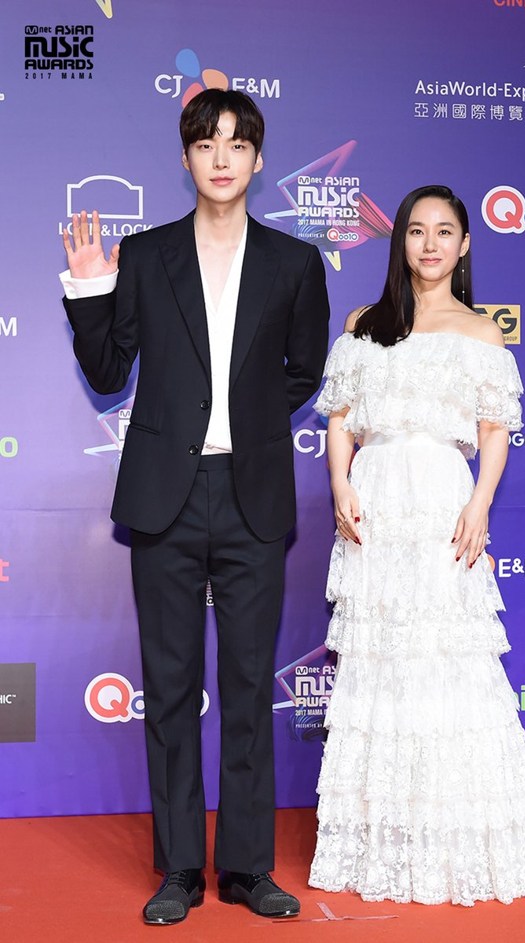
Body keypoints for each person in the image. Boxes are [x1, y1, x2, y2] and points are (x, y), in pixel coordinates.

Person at [60, 89, 329, 924]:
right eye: (206, 142)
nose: (221, 155)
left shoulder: (293, 263)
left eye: (236, 142)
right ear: (186, 160)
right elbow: (108, 373)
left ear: (257, 159)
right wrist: (91, 284)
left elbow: (302, 371)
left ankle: (248, 868)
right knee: (170, 687)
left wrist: (242, 426)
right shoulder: (143, 257)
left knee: (248, 685)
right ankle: (179, 866)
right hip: (163, 498)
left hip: (250, 495)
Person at [308, 185, 525, 906]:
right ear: (401, 243)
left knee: (446, 657)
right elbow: (340, 417)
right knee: (383, 658)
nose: (429, 244)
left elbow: (493, 430)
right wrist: (341, 486)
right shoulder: (366, 323)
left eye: (444, 231)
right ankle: (384, 834)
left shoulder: (483, 333)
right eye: (417, 231)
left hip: (441, 501)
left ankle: (457, 830)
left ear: (464, 245)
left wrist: (479, 505)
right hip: (376, 499)